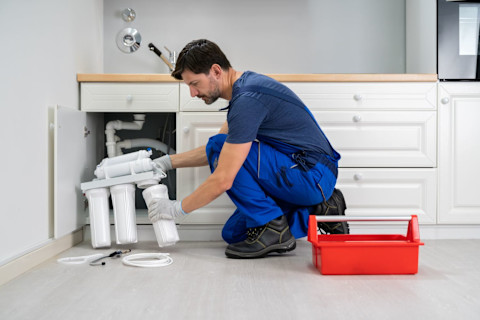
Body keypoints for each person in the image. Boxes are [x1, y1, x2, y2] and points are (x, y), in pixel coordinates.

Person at [149, 39, 348, 259]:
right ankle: (322, 209)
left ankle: (274, 228)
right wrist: (165, 162)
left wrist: (176, 209)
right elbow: (216, 150)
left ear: (215, 71)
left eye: (194, 83)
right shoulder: (243, 93)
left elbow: (223, 176)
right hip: (303, 173)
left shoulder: (248, 100)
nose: (193, 93)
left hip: (312, 175)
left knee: (219, 147)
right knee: (234, 233)